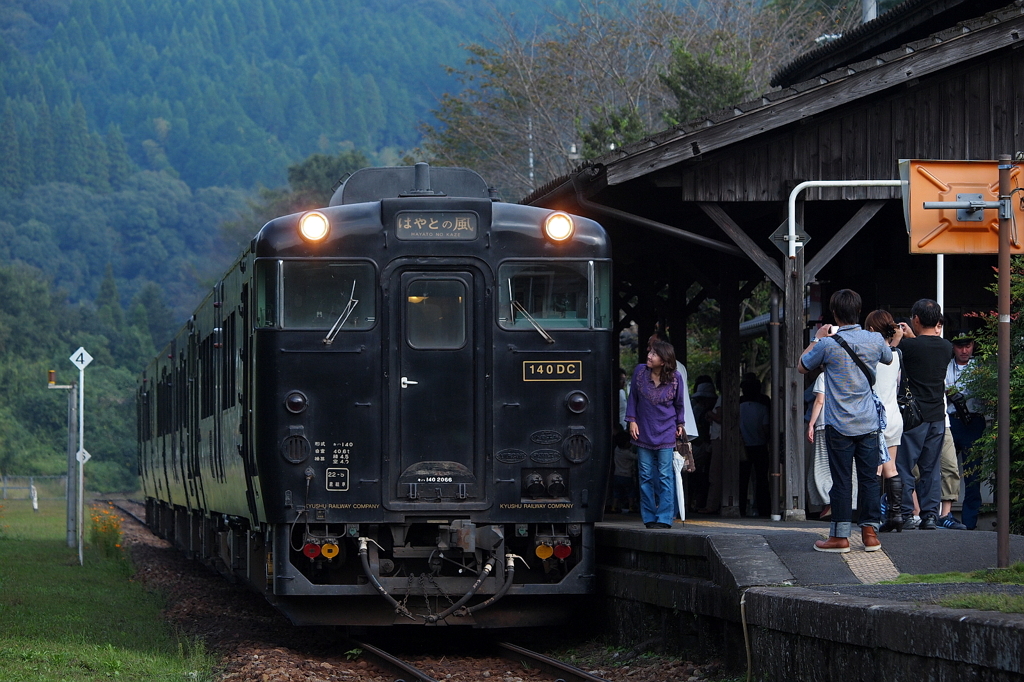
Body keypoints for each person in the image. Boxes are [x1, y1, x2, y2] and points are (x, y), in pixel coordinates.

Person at [799, 289, 891, 553]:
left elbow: (802, 366)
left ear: (835, 314)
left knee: (841, 480)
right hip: (869, 424)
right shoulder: (874, 340)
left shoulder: (828, 344)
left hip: (838, 425)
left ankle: (839, 537)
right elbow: (887, 356)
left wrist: (816, 339)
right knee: (869, 480)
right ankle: (870, 534)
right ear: (859, 312)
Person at [893, 299, 953, 530]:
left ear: (915, 319)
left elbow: (902, 355)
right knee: (931, 468)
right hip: (937, 415)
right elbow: (927, 348)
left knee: (905, 465)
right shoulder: (947, 347)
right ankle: (930, 516)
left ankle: (906, 513)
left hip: (913, 417)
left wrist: (902, 338)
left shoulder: (907, 348)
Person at [625, 339, 686, 529]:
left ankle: (665, 518)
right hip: (643, 430)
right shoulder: (640, 372)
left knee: (665, 475)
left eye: (653, 354)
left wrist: (680, 424)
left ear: (664, 360)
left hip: (667, 430)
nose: (649, 356)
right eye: (649, 353)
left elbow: (679, 404)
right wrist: (632, 420)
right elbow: (633, 397)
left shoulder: (675, 378)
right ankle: (649, 517)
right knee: (645, 475)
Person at [864, 310, 906, 532]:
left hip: (874, 417)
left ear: (871, 330)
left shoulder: (869, 356)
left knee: (875, 470)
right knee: (891, 468)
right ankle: (895, 515)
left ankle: (872, 517)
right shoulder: (896, 354)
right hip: (894, 417)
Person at [944, 330, 985, 529]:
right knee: (946, 469)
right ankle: (944, 516)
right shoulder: (946, 366)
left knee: (973, 474)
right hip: (952, 421)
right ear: (953, 347)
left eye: (968, 345)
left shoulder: (980, 367)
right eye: (960, 346)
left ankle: (970, 523)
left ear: (973, 346)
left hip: (974, 422)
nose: (964, 350)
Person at [738, 374, 771, 517]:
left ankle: (740, 508)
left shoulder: (738, 406)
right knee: (762, 479)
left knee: (742, 480)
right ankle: (764, 509)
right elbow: (765, 429)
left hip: (742, 446)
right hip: (760, 446)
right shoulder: (763, 407)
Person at [610, 428, 638, 513]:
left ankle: (614, 507)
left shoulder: (616, 450)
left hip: (617, 475)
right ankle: (631, 506)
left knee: (616, 492)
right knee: (630, 492)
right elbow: (636, 457)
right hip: (627, 476)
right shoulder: (627, 453)